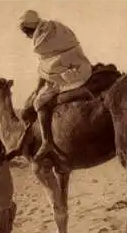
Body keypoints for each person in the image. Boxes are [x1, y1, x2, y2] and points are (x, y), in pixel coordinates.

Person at [19, 9, 94, 162]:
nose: (26, 36)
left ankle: (47, 141)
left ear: (28, 29)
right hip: (81, 65)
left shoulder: (40, 41)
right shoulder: (55, 26)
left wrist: (38, 89)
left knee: (39, 102)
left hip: (68, 75)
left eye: (25, 32)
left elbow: (47, 67)